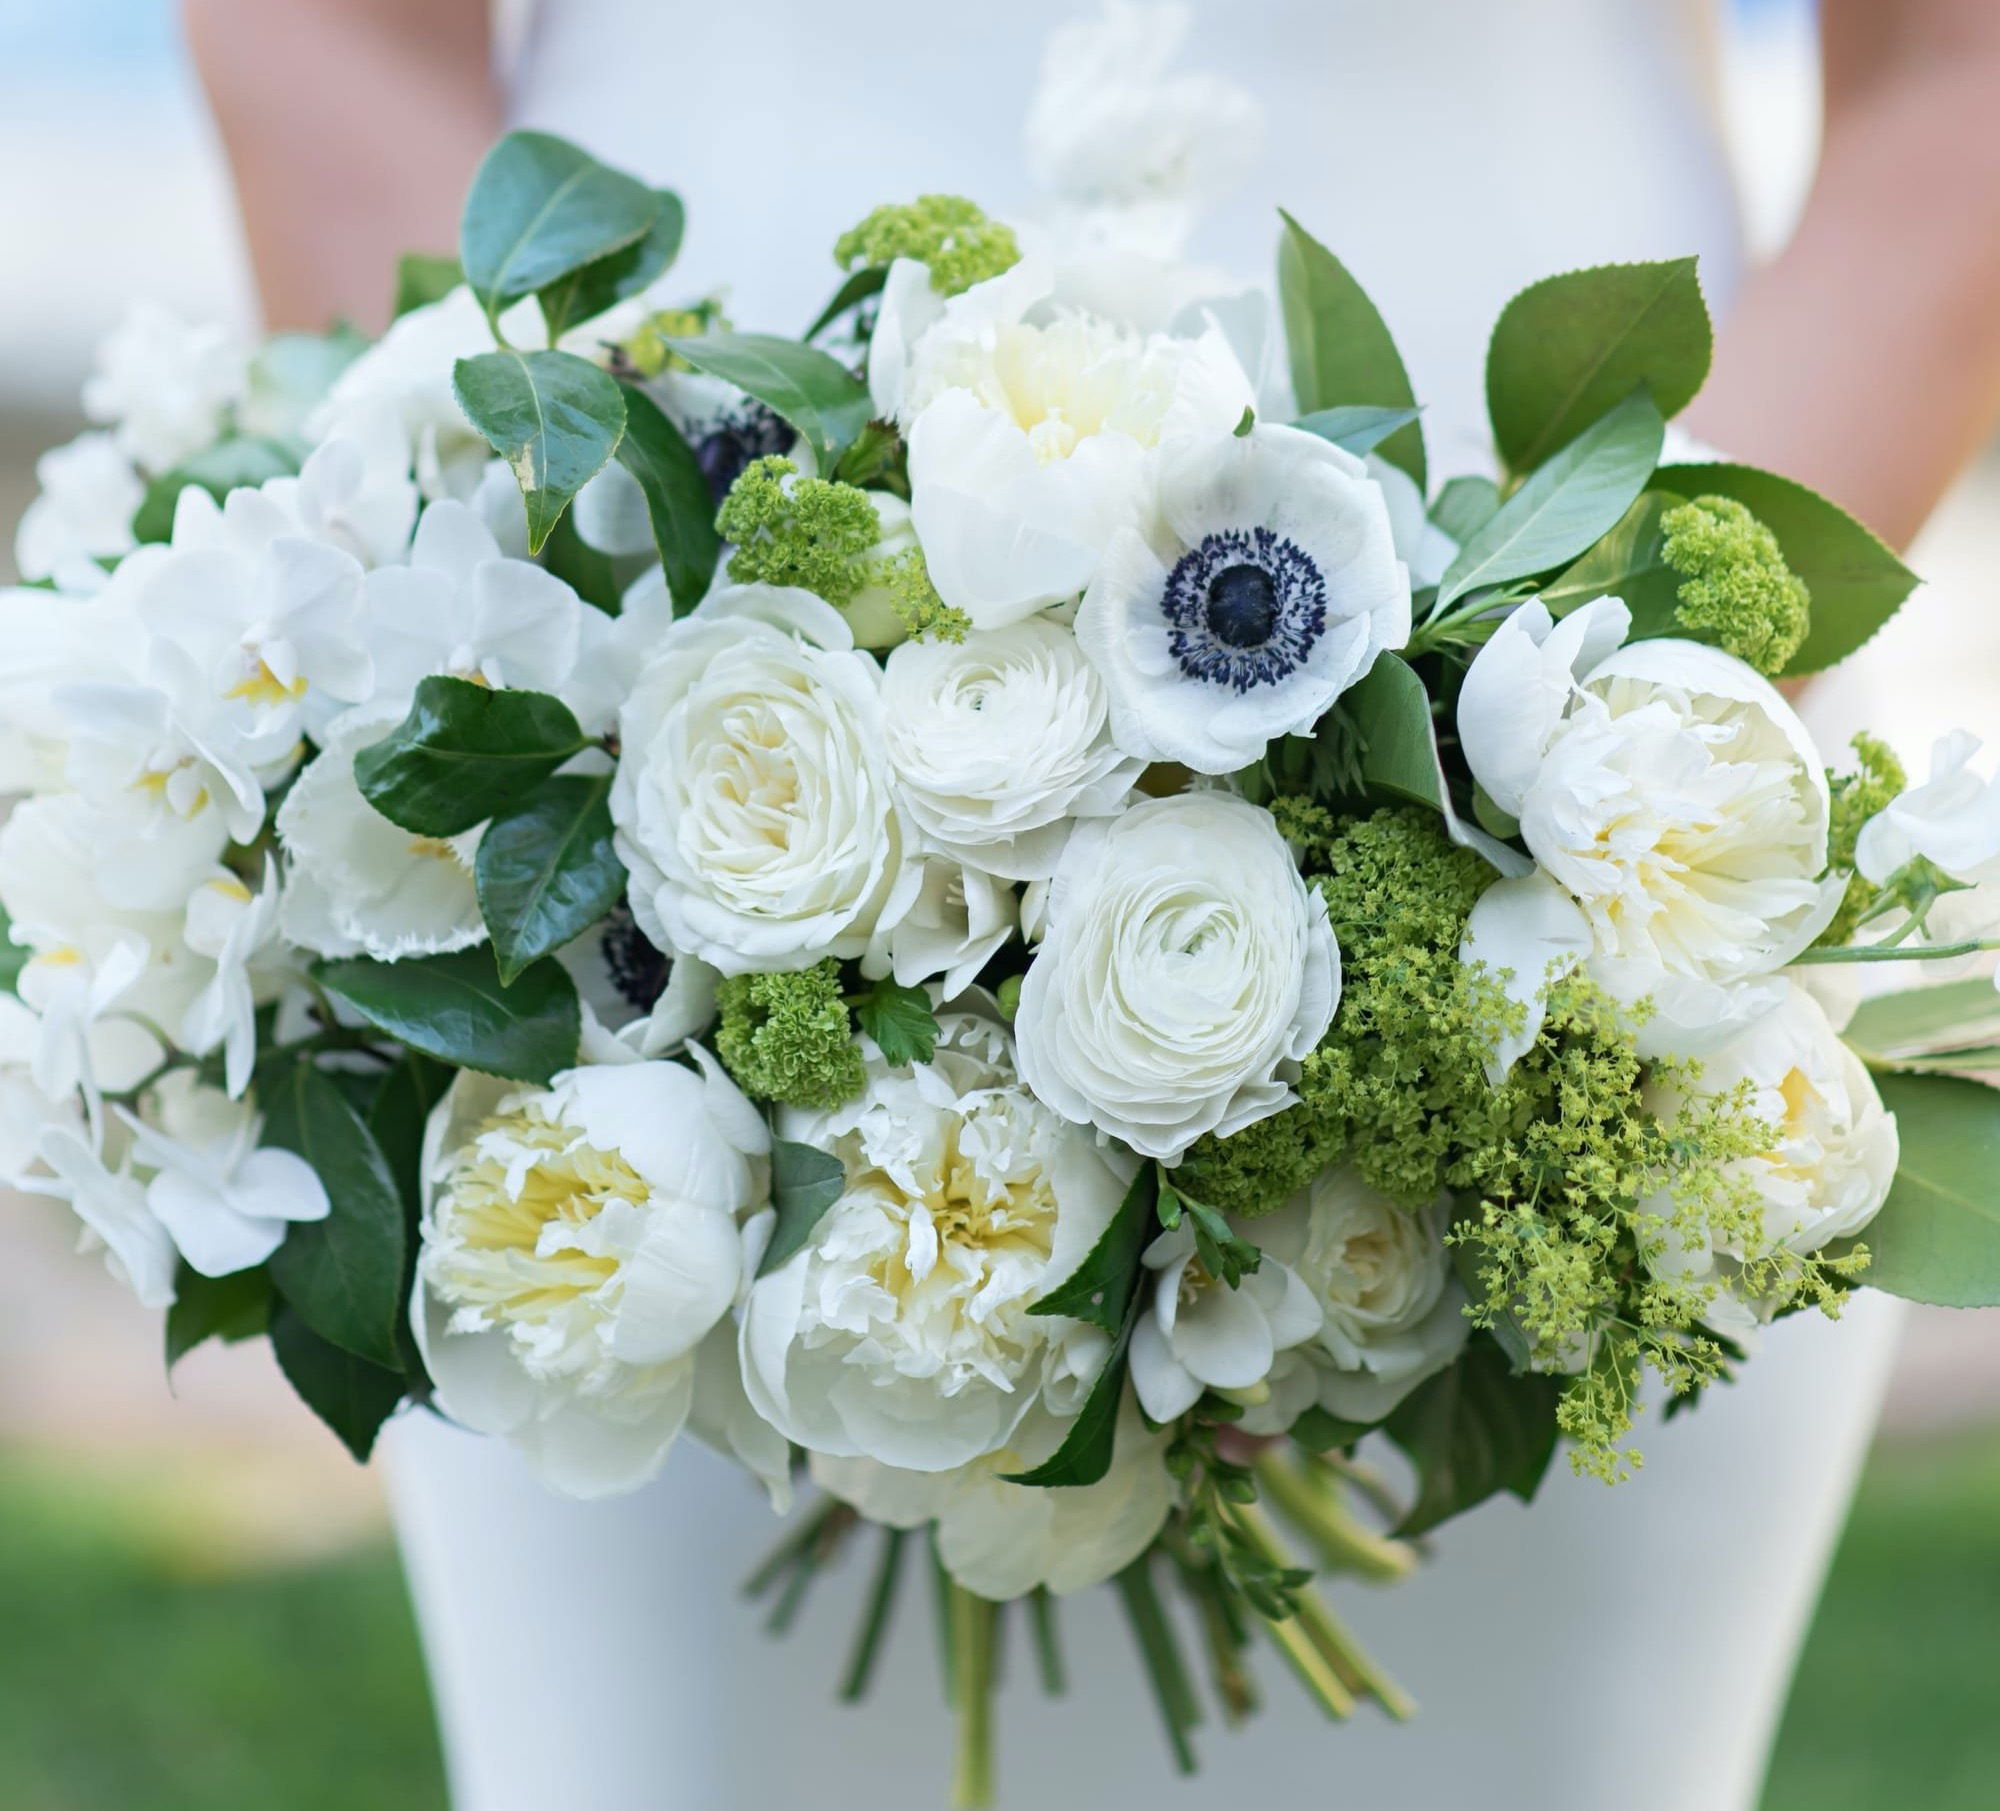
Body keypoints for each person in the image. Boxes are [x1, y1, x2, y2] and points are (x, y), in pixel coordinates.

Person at [179, 3, 2000, 1808]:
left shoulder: (1601, 810)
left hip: (1585, 699)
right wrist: (521, 619)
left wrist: (1589, 793)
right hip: (646, 705)